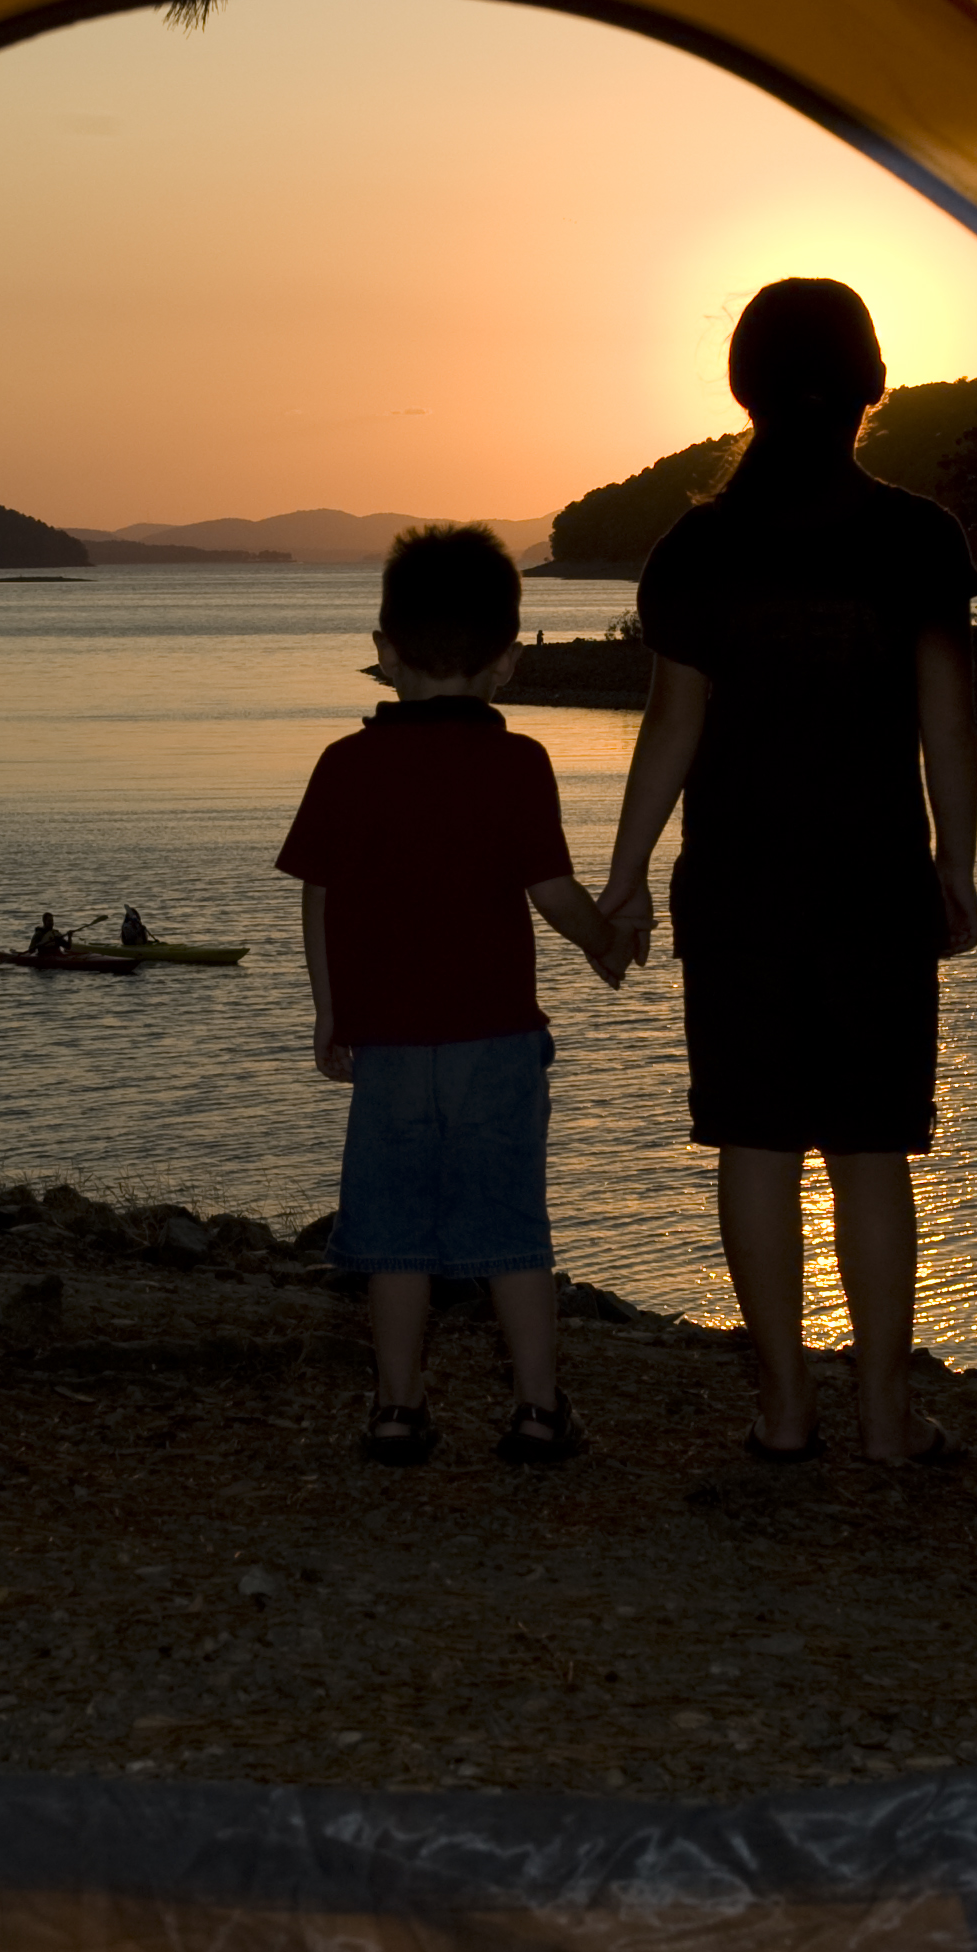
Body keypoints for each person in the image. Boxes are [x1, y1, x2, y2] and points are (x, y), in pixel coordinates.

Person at [598, 278, 977, 1465]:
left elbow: (671, 728)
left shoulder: (698, 547)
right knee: (872, 1151)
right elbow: (945, 721)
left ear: (743, 390)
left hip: (737, 897)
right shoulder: (914, 538)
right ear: (868, 386)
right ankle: (880, 1417)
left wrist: (619, 880)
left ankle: (781, 1409)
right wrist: (954, 871)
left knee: (754, 1144)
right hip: (873, 890)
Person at [278, 524, 633, 1466]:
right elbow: (553, 895)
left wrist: (328, 1011)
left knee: (392, 1238)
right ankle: (538, 1411)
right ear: (509, 663)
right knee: (513, 1228)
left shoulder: (345, 765)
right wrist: (607, 942)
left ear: (384, 654)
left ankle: (397, 1411)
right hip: (497, 1043)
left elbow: (320, 894)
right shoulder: (518, 763)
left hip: (386, 1042)